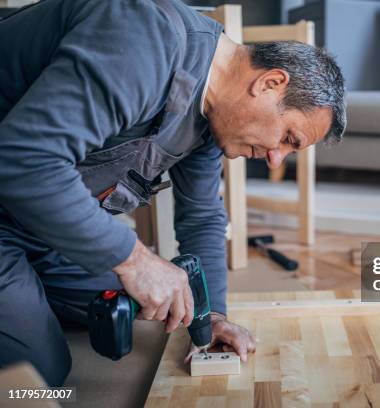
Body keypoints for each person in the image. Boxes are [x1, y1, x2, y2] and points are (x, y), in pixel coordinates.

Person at [0, 0, 346, 386]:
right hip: (10, 197)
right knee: (34, 374)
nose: (275, 159)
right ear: (269, 83)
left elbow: (201, 215)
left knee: (152, 305)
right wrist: (134, 260)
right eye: (287, 138)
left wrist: (211, 315)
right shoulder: (142, 38)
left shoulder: (212, 115)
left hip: (38, 225)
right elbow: (25, 160)